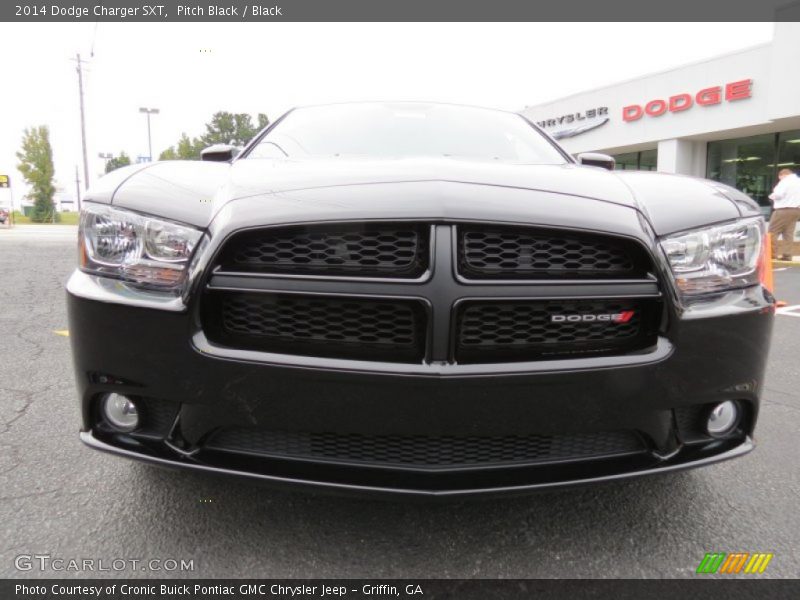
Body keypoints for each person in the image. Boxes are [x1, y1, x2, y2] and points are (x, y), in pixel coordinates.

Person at [768, 168, 800, 261]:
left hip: (783, 209)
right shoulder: (798, 181)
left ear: (782, 175)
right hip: (796, 210)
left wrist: (771, 196)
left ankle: (772, 253)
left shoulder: (785, 182)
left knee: (772, 232)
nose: (779, 180)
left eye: (780, 178)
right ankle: (787, 255)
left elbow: (779, 194)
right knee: (788, 233)